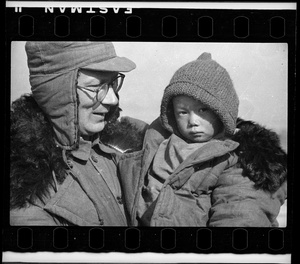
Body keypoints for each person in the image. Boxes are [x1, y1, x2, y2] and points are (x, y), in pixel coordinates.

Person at [118, 52, 287, 227]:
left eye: (203, 110)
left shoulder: (236, 157)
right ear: (171, 115)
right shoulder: (157, 145)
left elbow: (237, 214)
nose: (193, 122)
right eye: (183, 112)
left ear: (221, 112)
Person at [10, 42, 147, 226]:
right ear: (59, 93)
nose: (112, 99)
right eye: (95, 87)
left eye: (112, 83)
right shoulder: (25, 190)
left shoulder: (126, 145)